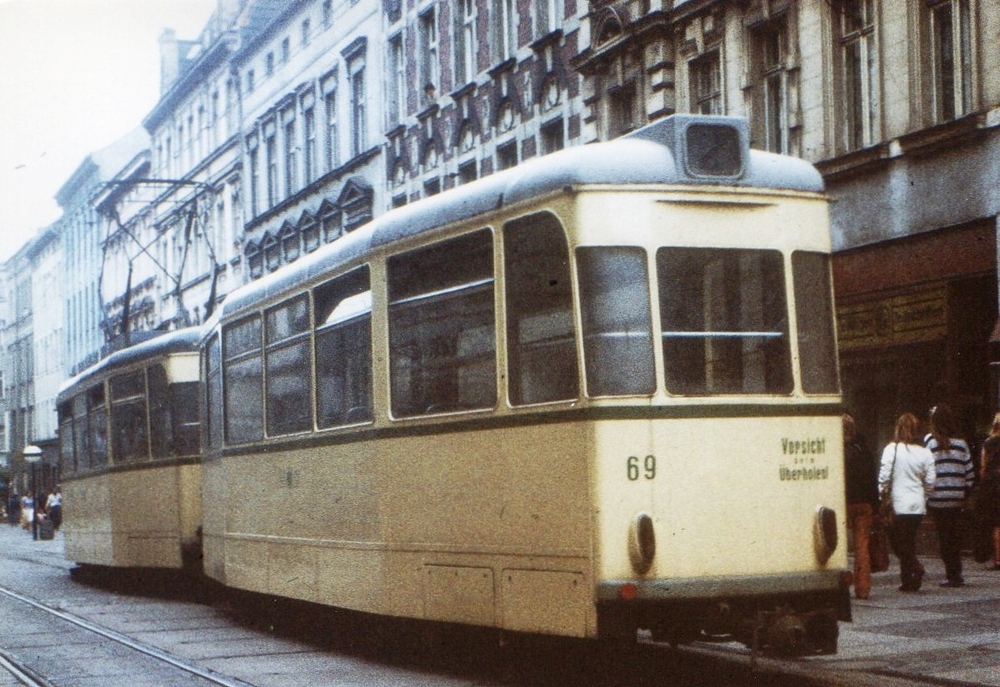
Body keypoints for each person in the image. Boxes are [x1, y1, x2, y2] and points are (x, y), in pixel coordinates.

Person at [880, 412, 936, 592]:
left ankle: (914, 567)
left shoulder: (892, 449)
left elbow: (884, 477)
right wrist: (924, 497)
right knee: (908, 540)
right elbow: (930, 481)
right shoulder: (925, 453)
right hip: (917, 505)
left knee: (899, 542)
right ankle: (908, 580)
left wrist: (882, 496)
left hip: (898, 504)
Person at [925, 404, 975, 587]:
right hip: (956, 498)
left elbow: (926, 470)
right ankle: (957, 572)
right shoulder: (961, 444)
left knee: (944, 537)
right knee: (954, 536)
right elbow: (969, 472)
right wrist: (964, 491)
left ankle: (951, 573)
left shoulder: (930, 442)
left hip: (937, 498)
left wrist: (928, 493)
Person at [844, 412, 879, 599]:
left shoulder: (836, 450)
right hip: (864, 503)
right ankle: (863, 588)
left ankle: (839, 586)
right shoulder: (863, 448)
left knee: (837, 548)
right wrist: (875, 505)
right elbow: (872, 478)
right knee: (862, 547)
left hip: (842, 503)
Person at [979, 412, 1000, 568]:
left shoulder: (988, 443)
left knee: (996, 524)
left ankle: (998, 558)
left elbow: (983, 467)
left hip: (993, 485)